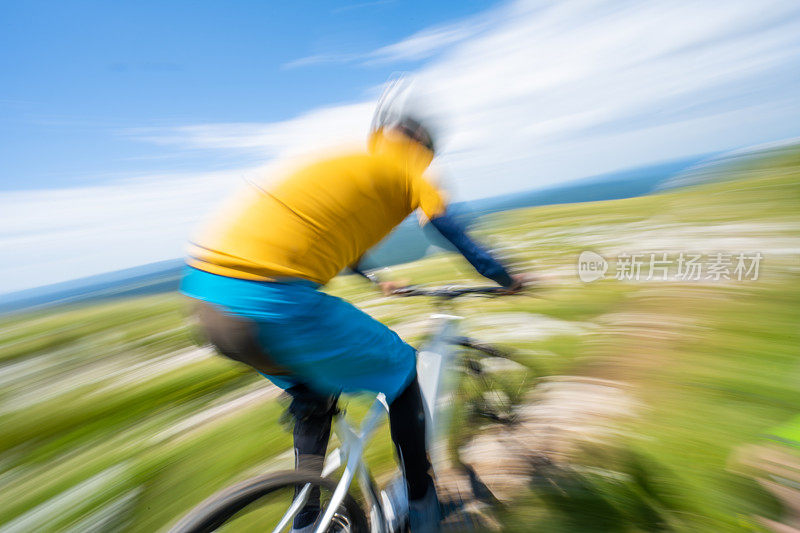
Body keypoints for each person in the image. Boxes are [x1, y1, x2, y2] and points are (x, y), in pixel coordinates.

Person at [180, 92, 527, 532]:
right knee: (404, 371)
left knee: (313, 397)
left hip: (204, 298)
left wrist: (377, 279)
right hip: (270, 300)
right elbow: (447, 225)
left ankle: (307, 518)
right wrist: (506, 277)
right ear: (422, 144)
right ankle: (424, 507)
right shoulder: (412, 170)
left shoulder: (346, 164)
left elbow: (337, 241)